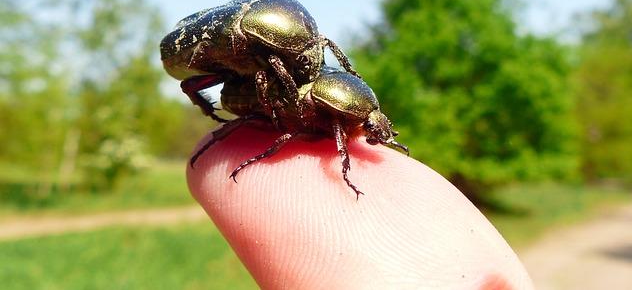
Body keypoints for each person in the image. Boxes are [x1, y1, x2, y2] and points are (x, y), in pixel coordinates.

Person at [187, 124, 534, 289]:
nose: (380, 134)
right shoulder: (334, 118)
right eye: (375, 127)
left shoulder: (344, 116)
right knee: (283, 133)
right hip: (270, 110)